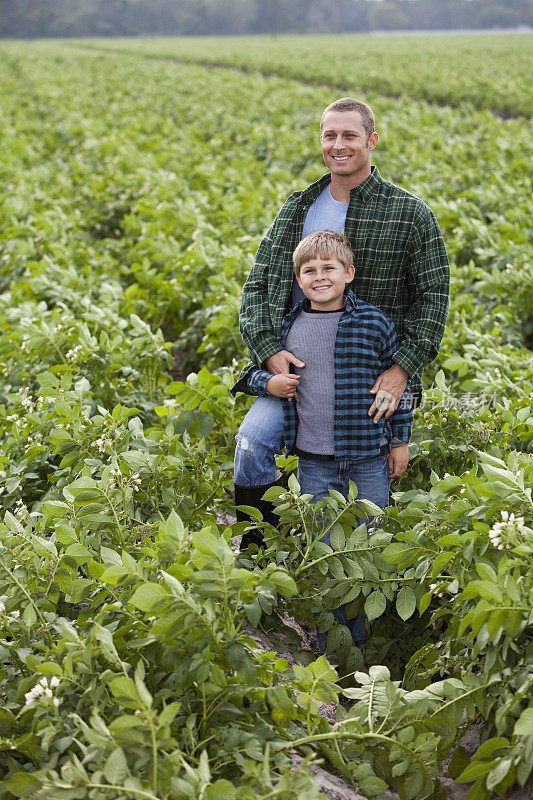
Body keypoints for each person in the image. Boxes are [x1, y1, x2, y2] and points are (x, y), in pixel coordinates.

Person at [232, 97, 449, 521]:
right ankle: (266, 547)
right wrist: (270, 354)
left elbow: (433, 299)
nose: (339, 144)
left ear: (371, 140)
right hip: (299, 369)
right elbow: (257, 285)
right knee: (251, 443)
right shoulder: (298, 207)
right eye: (330, 135)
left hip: (365, 378)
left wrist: (401, 369)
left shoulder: (409, 214)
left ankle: (350, 551)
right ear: (321, 141)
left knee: (360, 492)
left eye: (349, 135)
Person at [233, 230, 413, 649]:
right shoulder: (288, 327)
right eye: (309, 270)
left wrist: (400, 441)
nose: (319, 276)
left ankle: (362, 646)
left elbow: (405, 385)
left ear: (349, 273)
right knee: (326, 553)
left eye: (329, 268)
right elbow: (248, 374)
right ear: (298, 280)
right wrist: (270, 382)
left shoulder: (373, 323)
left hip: (369, 456)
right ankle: (330, 649)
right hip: (313, 462)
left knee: (365, 549)